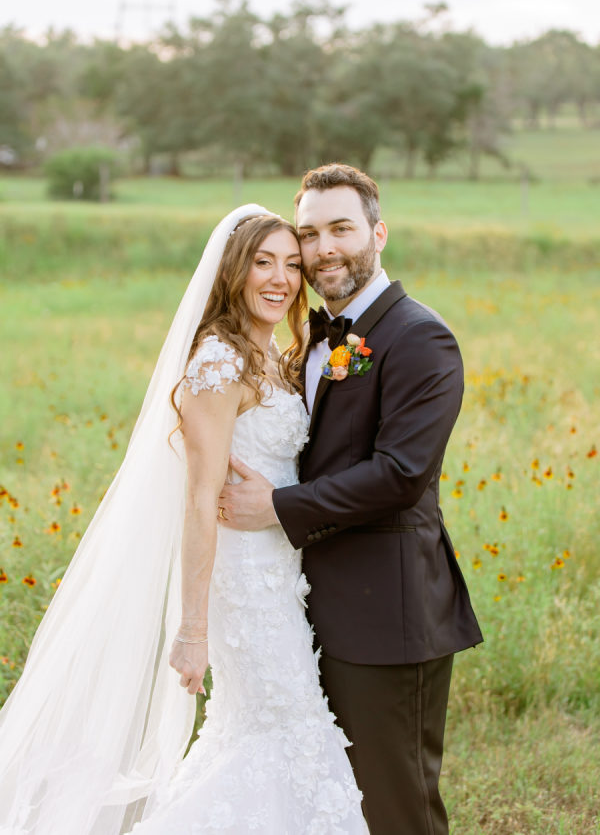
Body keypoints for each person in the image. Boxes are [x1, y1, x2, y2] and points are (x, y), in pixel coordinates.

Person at [0, 206, 366, 835]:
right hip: (242, 582)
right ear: (233, 271)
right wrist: (192, 630)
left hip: (284, 573)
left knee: (261, 730)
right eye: (262, 263)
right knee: (285, 729)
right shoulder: (216, 363)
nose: (279, 278)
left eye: (291, 265)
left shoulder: (274, 356)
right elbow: (199, 498)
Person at [219, 165, 484, 835]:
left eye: (341, 228)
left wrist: (279, 507)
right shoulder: (309, 338)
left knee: (395, 806)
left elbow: (400, 473)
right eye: (308, 233)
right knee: (332, 801)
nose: (322, 248)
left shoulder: (420, 337)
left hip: (388, 615)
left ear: (378, 233)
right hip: (307, 608)